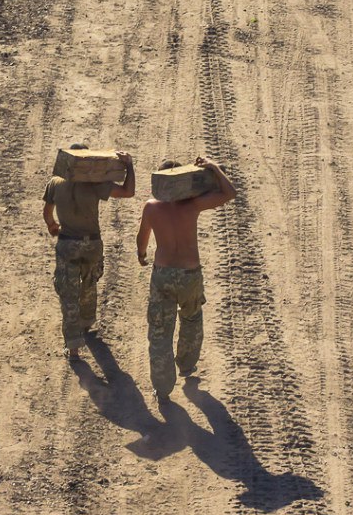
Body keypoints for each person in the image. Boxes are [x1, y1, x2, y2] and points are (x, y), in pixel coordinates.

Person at [136, 156, 236, 402]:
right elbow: (229, 193)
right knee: (191, 320)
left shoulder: (151, 207)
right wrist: (213, 167)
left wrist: (142, 255)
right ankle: (187, 365)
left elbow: (142, 238)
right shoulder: (192, 205)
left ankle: (162, 389)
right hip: (190, 275)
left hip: (162, 274)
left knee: (160, 332)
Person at [43, 146, 135, 361]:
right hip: (92, 244)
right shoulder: (95, 183)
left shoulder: (55, 183)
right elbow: (128, 192)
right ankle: (85, 323)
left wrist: (53, 227)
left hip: (67, 244)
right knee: (89, 284)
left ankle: (73, 347)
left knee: (68, 295)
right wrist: (130, 166)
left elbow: (47, 213)